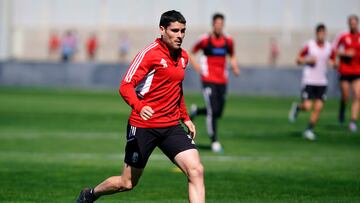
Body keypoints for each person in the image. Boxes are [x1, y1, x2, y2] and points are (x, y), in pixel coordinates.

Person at [76, 10, 205, 203]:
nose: (180, 36)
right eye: (175, 30)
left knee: (196, 170)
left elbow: (177, 89)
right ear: (162, 29)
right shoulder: (149, 54)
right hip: (144, 126)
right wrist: (139, 106)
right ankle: (91, 194)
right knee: (126, 183)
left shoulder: (183, 57)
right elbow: (125, 85)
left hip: (171, 126)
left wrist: (185, 117)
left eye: (183, 31)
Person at [189, 13, 240, 153]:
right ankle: (214, 141)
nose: (219, 26)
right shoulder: (205, 40)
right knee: (212, 110)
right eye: (217, 23)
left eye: (221, 24)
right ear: (213, 24)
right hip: (208, 79)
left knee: (218, 112)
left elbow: (232, 55)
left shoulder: (228, 40)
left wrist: (235, 66)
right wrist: (197, 67)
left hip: (222, 80)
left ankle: (196, 111)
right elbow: (191, 52)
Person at [288, 24, 332, 140]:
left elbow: (332, 59)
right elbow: (298, 59)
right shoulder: (309, 45)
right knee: (307, 106)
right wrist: (308, 59)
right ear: (317, 33)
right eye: (320, 33)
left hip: (322, 82)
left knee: (318, 107)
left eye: (324, 33)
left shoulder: (328, 47)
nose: (322, 35)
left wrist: (333, 63)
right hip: (309, 80)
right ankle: (298, 107)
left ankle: (309, 130)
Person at [332, 14, 360, 133]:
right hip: (345, 70)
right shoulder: (343, 36)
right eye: (351, 23)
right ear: (348, 24)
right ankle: (342, 109)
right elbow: (333, 49)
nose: (352, 25)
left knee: (358, 96)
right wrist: (344, 54)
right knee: (345, 95)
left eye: (354, 23)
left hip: (357, 71)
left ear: (357, 23)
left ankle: (353, 122)